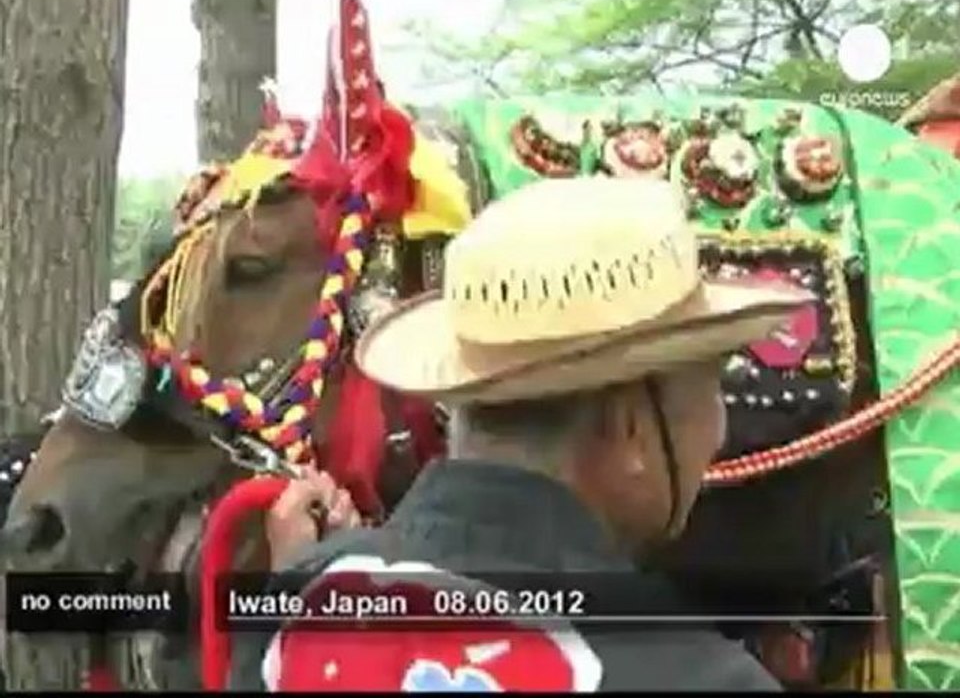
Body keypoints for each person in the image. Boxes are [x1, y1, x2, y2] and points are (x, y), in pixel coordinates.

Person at [229, 177, 811, 691]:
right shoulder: (701, 678)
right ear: (628, 425)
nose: (718, 433)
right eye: (709, 390)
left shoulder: (295, 611)